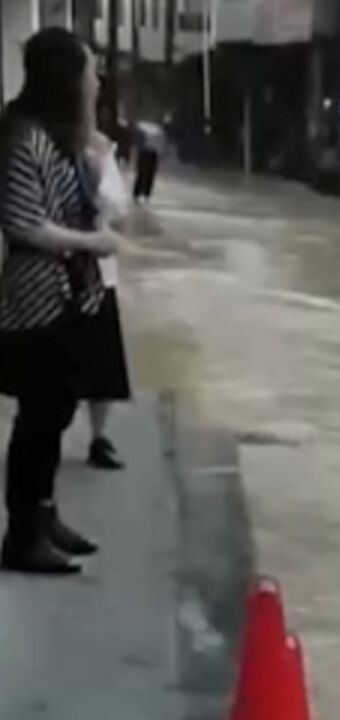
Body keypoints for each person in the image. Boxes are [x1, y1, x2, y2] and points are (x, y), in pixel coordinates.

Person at [0, 28, 121, 574]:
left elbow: (92, 203)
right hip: (35, 297)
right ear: (64, 79)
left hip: (70, 295)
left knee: (57, 408)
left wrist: (94, 142)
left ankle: (43, 516)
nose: (96, 82)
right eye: (89, 73)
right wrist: (91, 244)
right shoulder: (23, 137)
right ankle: (23, 534)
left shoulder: (62, 136)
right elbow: (24, 224)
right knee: (40, 415)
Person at [82, 129, 133, 471]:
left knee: (102, 364)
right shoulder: (41, 143)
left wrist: (100, 161)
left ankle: (98, 437)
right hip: (54, 271)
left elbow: (117, 208)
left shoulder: (100, 148)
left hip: (100, 271)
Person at [133, 119, 163, 203]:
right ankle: (142, 194)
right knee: (145, 173)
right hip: (148, 152)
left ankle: (142, 194)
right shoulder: (156, 131)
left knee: (146, 173)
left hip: (149, 152)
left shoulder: (144, 130)